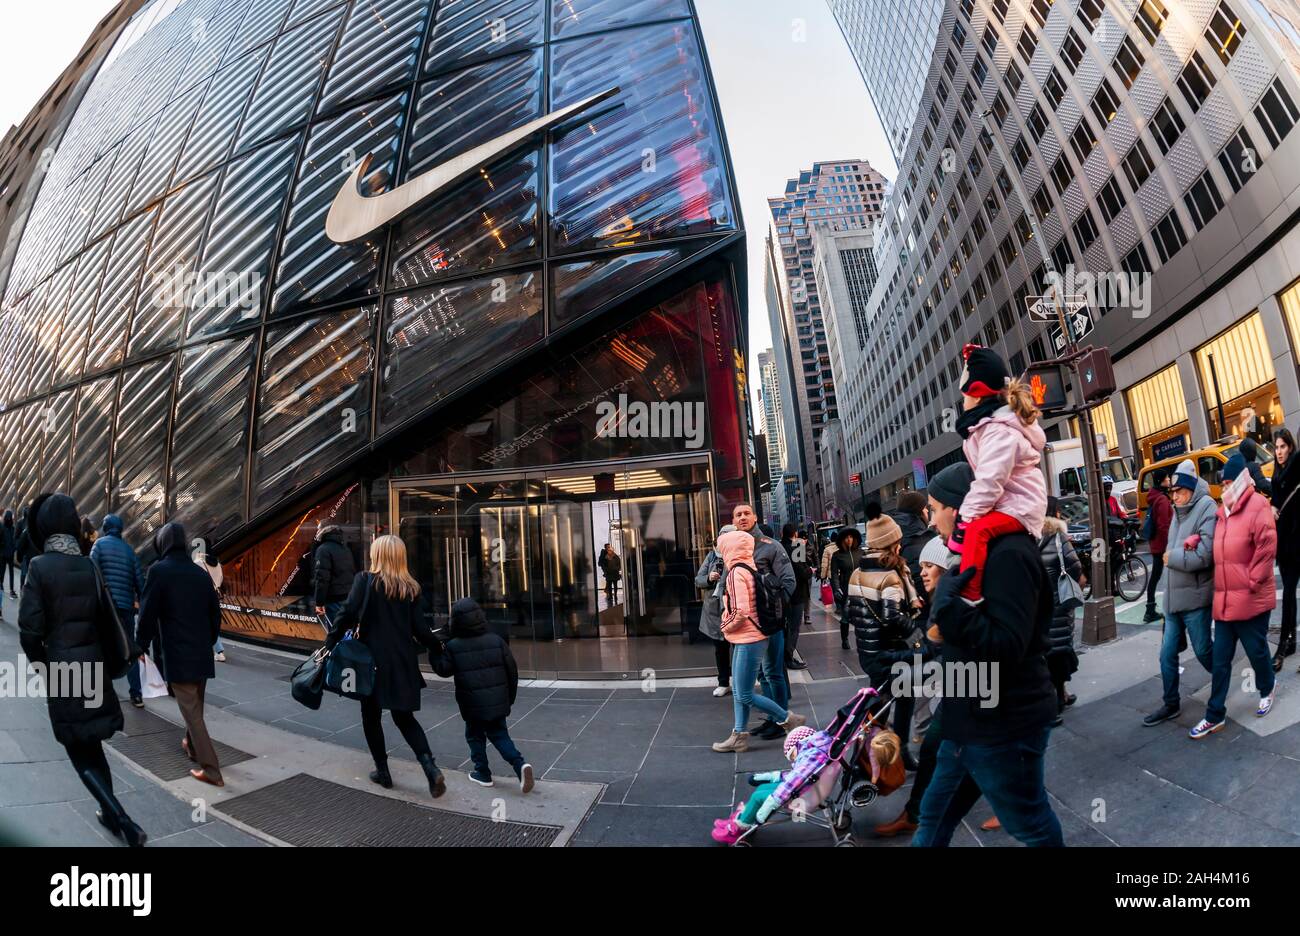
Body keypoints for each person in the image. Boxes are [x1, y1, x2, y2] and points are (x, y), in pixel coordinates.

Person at [914, 461, 1061, 847]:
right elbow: (960, 634)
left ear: (958, 508)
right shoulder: (974, 549)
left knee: (1029, 823)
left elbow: (1007, 644)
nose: (930, 521)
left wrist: (947, 607)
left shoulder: (1008, 554)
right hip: (965, 719)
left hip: (1005, 725)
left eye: (933, 508)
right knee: (934, 815)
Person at [18, 492, 146, 846]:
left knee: (78, 751)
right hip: (94, 669)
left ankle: (122, 819)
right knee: (93, 745)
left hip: (64, 671)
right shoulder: (88, 564)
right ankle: (109, 814)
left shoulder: (40, 567)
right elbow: (105, 621)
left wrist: (43, 666)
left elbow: (29, 631)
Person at [328, 535, 446, 796]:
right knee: (404, 717)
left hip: (371, 662)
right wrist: (437, 646)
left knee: (371, 717)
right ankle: (430, 767)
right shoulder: (410, 587)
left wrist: (330, 641)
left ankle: (383, 771)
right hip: (403, 661)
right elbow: (421, 630)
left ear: (377, 555)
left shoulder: (364, 581)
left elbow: (346, 613)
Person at [947, 344, 1048, 601]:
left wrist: (966, 518)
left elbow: (991, 480)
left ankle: (969, 597)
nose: (963, 401)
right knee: (973, 527)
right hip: (1012, 502)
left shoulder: (998, 431)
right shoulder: (987, 428)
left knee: (977, 530)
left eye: (965, 394)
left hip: (1021, 505)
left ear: (978, 394)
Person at [1191, 453, 1278, 738]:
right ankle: (1214, 714)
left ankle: (1267, 688)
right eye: (1223, 482)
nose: (1225, 486)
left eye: (1230, 481)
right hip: (1226, 600)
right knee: (1220, 660)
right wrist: (1196, 541)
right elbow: (1218, 543)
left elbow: (1266, 547)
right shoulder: (1222, 511)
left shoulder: (1258, 505)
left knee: (1257, 652)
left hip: (1250, 599)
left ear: (1242, 479)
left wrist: (1253, 580)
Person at [136, 521, 224, 786]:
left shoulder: (159, 571)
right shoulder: (199, 573)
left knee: (192, 713)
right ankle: (192, 747)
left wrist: (140, 645)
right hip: (201, 653)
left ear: (161, 543)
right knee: (195, 706)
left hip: (178, 652)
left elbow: (148, 613)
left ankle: (212, 771)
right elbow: (215, 614)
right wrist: (208, 641)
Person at [711, 529, 806, 753]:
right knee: (739, 690)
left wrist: (725, 625)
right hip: (754, 636)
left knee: (744, 693)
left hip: (748, 638)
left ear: (730, 549)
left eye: (722, 547)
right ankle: (739, 735)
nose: (720, 551)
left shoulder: (735, 573)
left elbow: (741, 610)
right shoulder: (748, 567)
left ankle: (787, 719)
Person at [846, 502, 924, 768]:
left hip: (869, 651)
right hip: (890, 650)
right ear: (893, 543)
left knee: (885, 701)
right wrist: (916, 631)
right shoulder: (890, 575)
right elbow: (892, 617)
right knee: (889, 704)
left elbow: (850, 610)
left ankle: (870, 757)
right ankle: (876, 757)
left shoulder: (858, 571)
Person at [430, 596, 532, 792]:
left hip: (472, 704)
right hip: (498, 701)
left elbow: (443, 670)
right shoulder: (496, 640)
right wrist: (509, 699)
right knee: (500, 734)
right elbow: (512, 671)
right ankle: (519, 765)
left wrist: (434, 650)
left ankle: (483, 773)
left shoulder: (454, 646)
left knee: (475, 737)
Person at [1143, 460, 1216, 725]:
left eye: (1178, 491)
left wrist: (1172, 557)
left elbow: (1205, 555)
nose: (1174, 496)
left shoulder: (1206, 507)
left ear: (1190, 489)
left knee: (1204, 651)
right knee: (1166, 655)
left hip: (1195, 598)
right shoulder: (1177, 510)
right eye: (1172, 492)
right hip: (1174, 600)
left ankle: (1225, 678)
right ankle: (1170, 703)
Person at [731, 504, 796, 740]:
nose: (743, 517)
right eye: (738, 514)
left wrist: (775, 611)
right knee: (760, 674)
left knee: (773, 671)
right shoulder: (734, 548)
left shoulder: (771, 547)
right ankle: (773, 718)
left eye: (747, 513)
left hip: (770, 622)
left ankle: (781, 721)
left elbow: (789, 582)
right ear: (734, 520)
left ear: (755, 517)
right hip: (748, 627)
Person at [90, 514, 146, 708]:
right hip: (126, 609)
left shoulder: (98, 546)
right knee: (129, 650)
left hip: (106, 609)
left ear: (105, 527)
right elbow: (140, 583)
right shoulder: (129, 551)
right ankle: (136, 694)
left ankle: (100, 691)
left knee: (101, 648)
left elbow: (92, 573)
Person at [1040, 497, 1082, 724]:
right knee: (1059, 651)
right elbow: (1075, 566)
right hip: (1059, 602)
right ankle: (1055, 705)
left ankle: (1062, 695)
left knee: (1049, 653)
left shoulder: (1029, 536)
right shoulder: (1058, 536)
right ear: (1056, 512)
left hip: (1040, 606)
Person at [695, 524, 736, 697]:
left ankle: (741, 682)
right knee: (720, 648)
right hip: (715, 610)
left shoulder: (739, 555)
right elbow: (698, 579)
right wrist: (710, 578)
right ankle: (723, 682)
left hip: (735, 608)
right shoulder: (712, 556)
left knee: (739, 648)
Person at [1272, 428, 1300, 670]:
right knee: (1288, 596)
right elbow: (1276, 497)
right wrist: (1271, 505)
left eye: (1283, 446)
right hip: (1286, 546)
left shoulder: (1296, 465)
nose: (1279, 451)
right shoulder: (1275, 474)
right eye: (1276, 447)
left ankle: (1286, 644)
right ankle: (1285, 644)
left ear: (1290, 447)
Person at [313, 521, 356, 629]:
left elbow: (322, 578)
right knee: (345, 630)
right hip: (347, 596)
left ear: (323, 530)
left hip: (333, 599)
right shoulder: (345, 548)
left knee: (335, 631)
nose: (316, 531)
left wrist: (319, 602)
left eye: (318, 529)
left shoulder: (323, 550)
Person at [1143, 470, 1174, 624]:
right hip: (1162, 546)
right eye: (1168, 477)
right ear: (1162, 480)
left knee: (1156, 577)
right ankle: (1150, 610)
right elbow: (1164, 526)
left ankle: (1150, 609)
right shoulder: (1161, 500)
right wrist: (1170, 545)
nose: (1169, 479)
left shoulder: (1156, 496)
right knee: (1159, 577)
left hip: (1157, 544)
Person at [781, 523, 812, 670]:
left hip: (783, 594)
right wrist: (811, 571)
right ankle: (789, 658)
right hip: (798, 593)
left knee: (786, 627)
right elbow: (802, 572)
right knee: (794, 628)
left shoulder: (779, 547)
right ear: (795, 534)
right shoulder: (797, 547)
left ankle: (784, 657)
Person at [830, 527, 863, 649]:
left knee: (862, 616)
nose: (849, 540)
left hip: (861, 589)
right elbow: (834, 574)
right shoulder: (837, 555)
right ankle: (844, 639)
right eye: (846, 537)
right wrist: (836, 588)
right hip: (846, 590)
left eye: (851, 537)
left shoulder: (861, 553)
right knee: (845, 617)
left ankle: (861, 640)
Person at [893, 491, 931, 599]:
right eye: (924, 508)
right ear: (918, 512)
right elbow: (922, 584)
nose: (927, 510)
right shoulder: (917, 538)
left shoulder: (898, 533)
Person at [193, 540, 226, 662]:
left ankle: (218, 651)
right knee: (210, 623)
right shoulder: (218, 565)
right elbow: (221, 580)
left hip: (201, 597)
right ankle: (218, 650)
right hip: (214, 598)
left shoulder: (198, 563)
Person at [1, 509, 16, 601]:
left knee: (6, 572)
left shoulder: (4, 527)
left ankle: (6, 588)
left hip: (7, 553)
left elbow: (13, 540)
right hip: (6, 553)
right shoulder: (10, 528)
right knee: (8, 572)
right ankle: (8, 588)